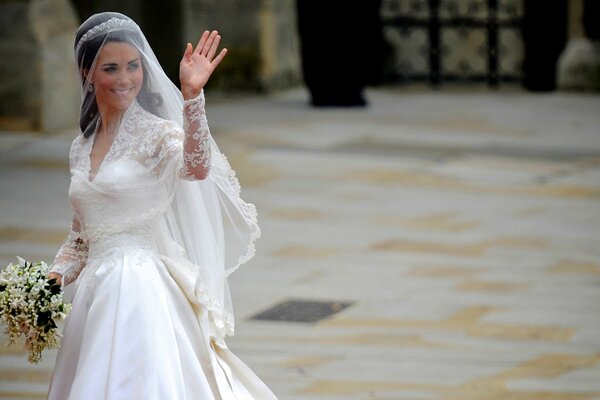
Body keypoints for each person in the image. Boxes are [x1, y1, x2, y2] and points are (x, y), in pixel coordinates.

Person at [46, 12, 278, 399]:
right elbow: (81, 237)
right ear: (86, 72)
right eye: (111, 68)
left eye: (133, 66)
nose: (125, 79)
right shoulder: (80, 146)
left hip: (140, 287)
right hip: (94, 296)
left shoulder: (157, 134)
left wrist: (192, 98)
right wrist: (49, 281)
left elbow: (196, 167)